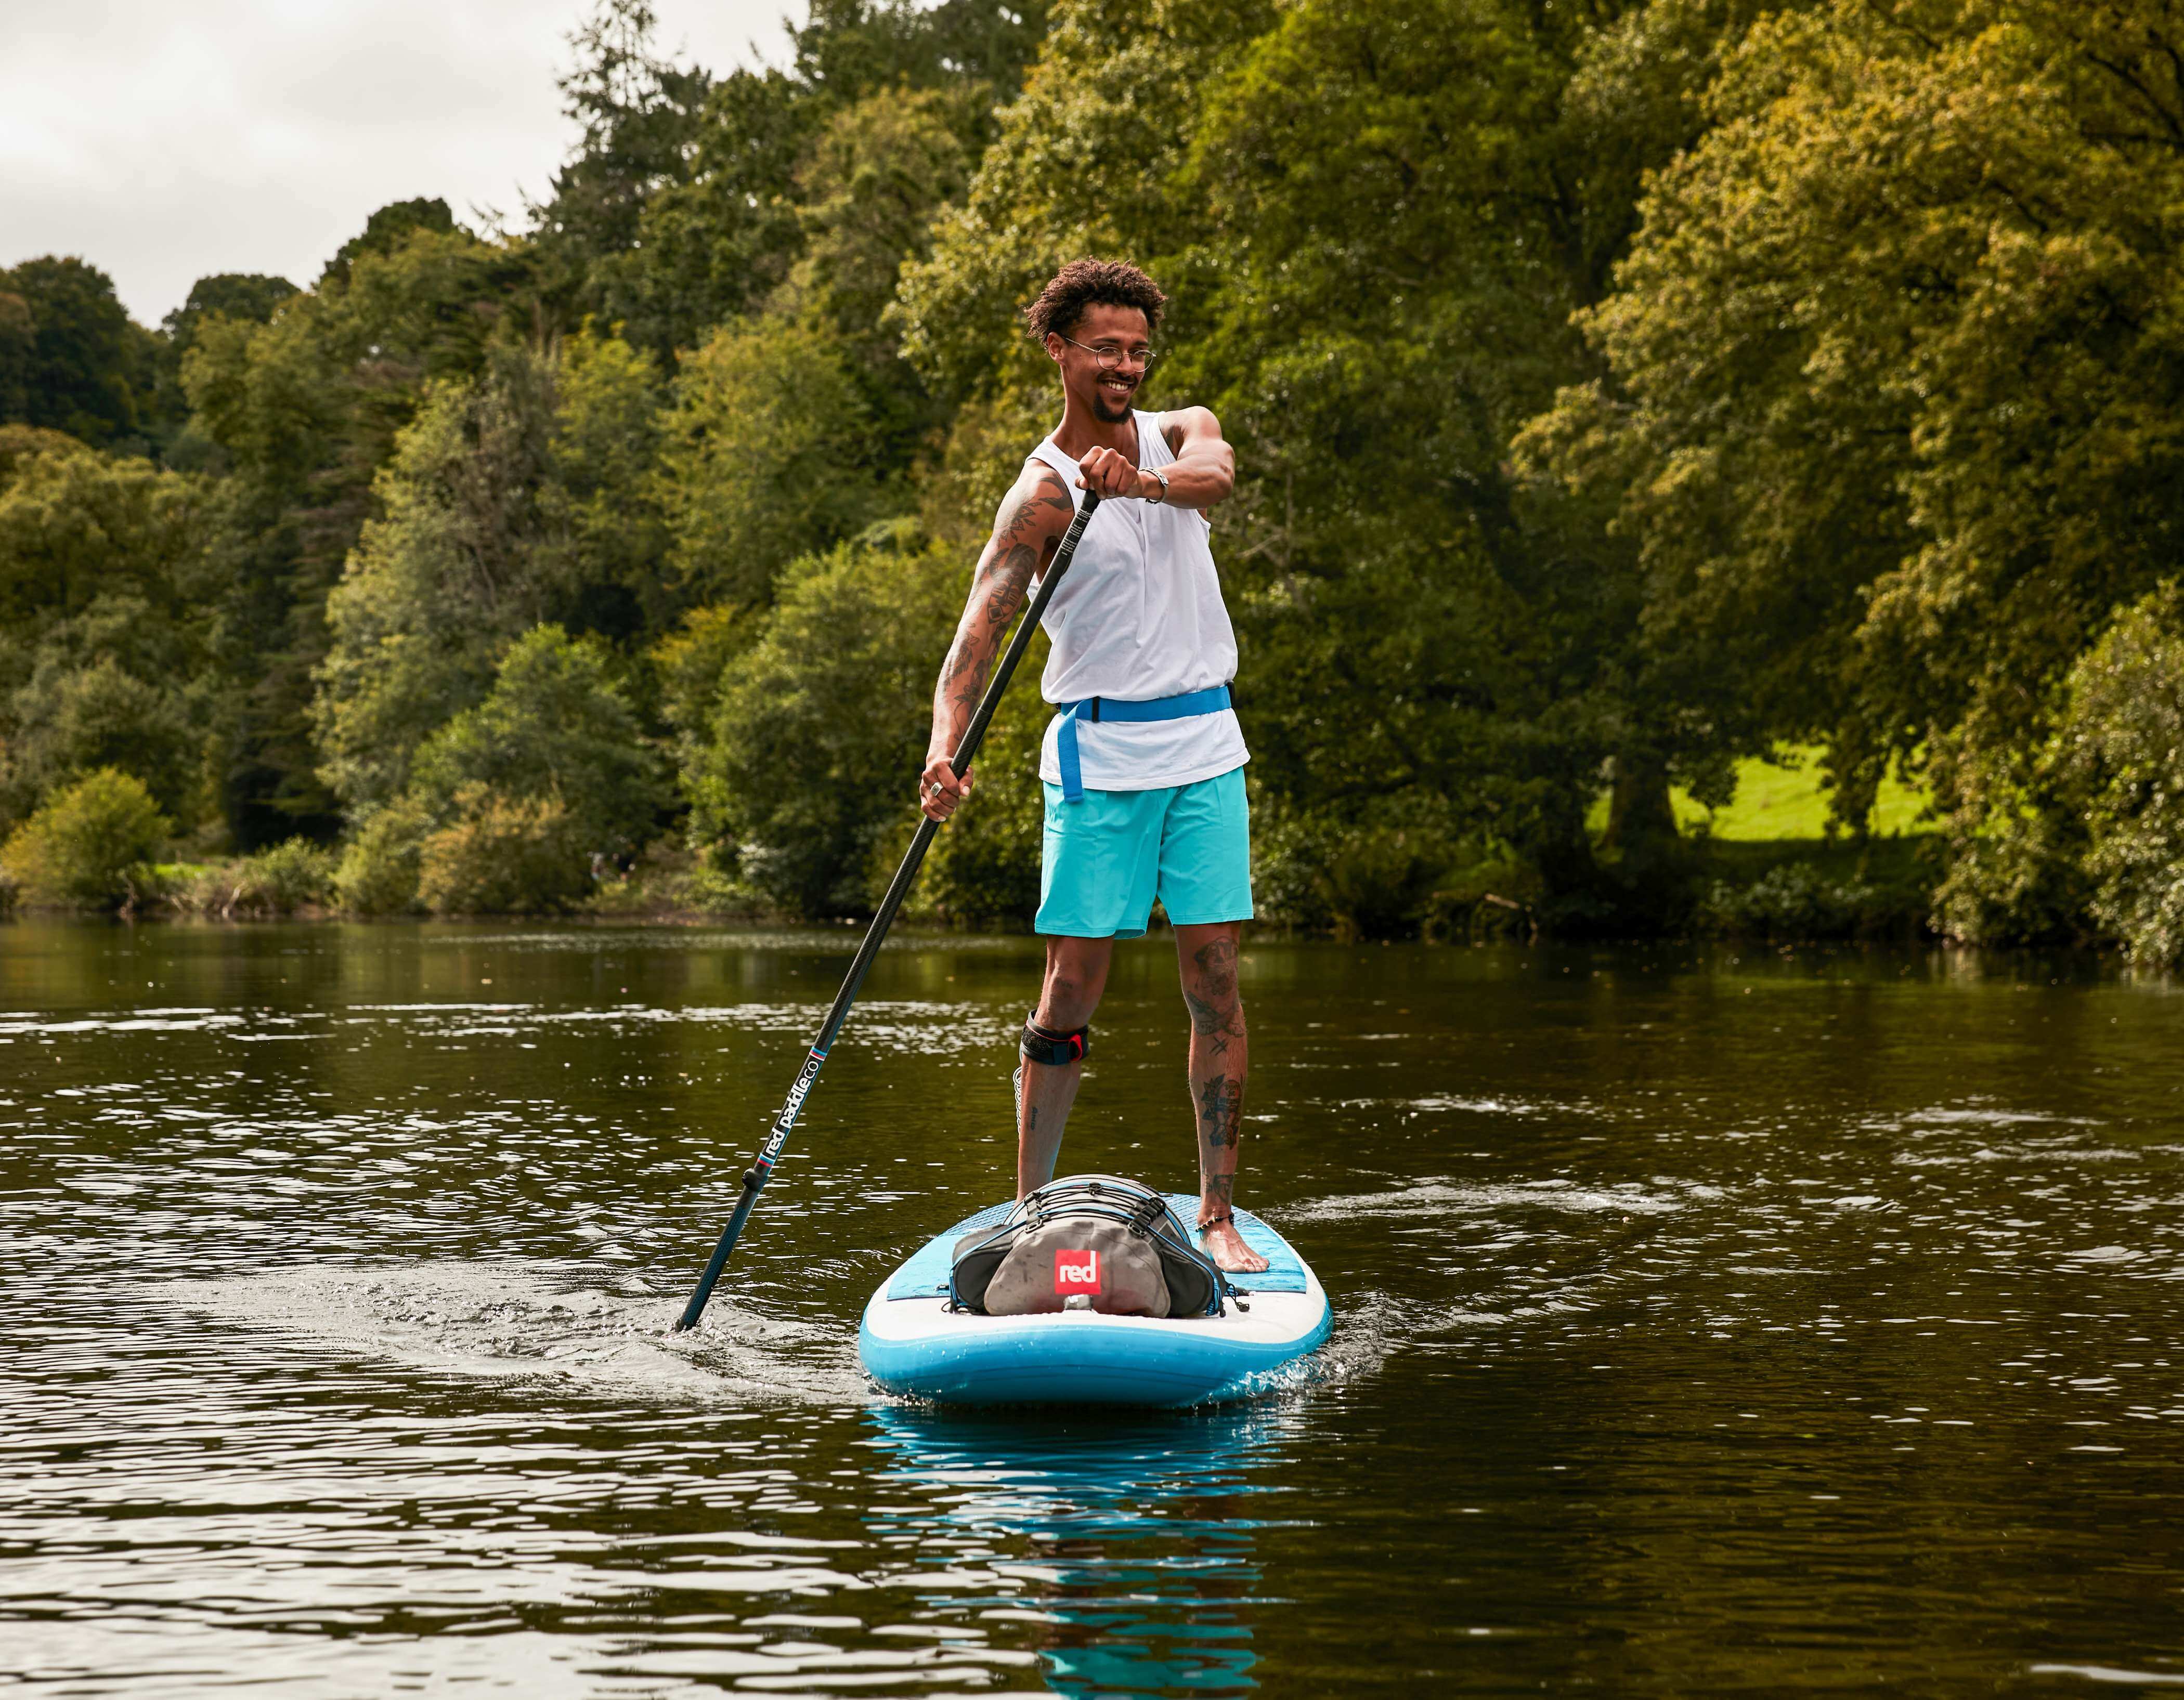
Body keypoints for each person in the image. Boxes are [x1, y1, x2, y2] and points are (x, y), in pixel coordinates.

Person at [919, 257, 1268, 1275]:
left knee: (1215, 979)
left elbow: (1216, 477)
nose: (1125, 363)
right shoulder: (1042, 496)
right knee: (1072, 986)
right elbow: (974, 639)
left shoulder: (1178, 435)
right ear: (1061, 352)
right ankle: (1030, 1213)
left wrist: (1146, 482)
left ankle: (1215, 1214)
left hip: (1206, 746)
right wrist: (944, 749)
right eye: (1105, 348)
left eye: (1136, 348)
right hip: (1098, 753)